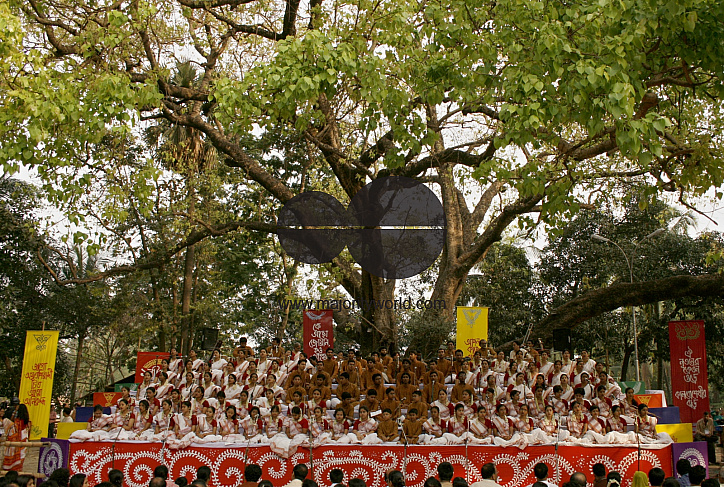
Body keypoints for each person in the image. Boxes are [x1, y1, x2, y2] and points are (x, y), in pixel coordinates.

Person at [2, 404, 31, 471]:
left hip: (18, 438)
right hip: (25, 438)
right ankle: (19, 469)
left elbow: (15, 429)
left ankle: (14, 469)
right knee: (22, 455)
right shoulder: (27, 420)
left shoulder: (18, 420)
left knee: (17, 454)